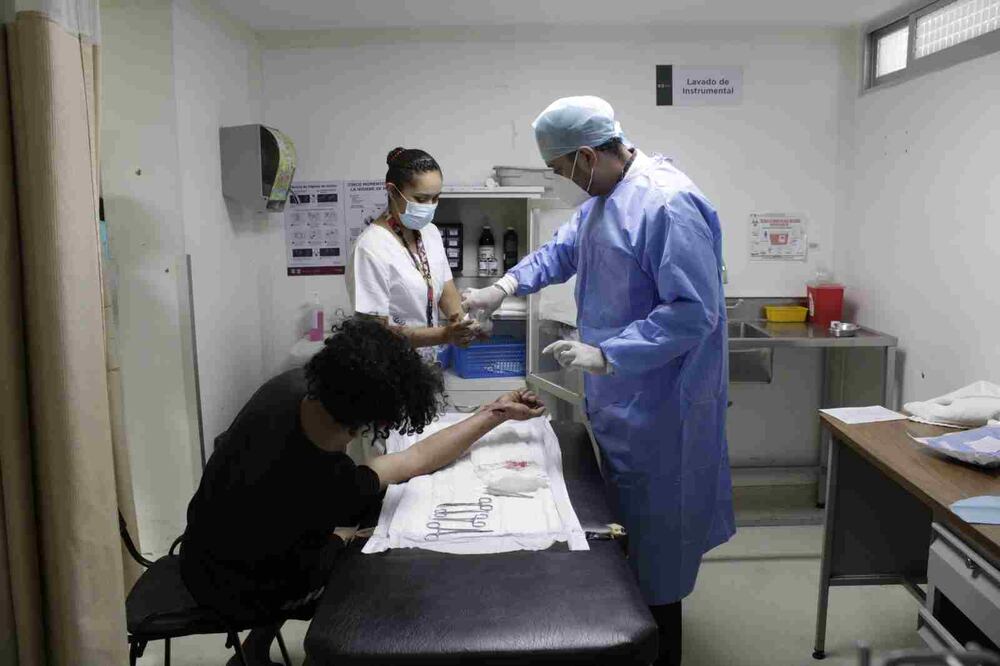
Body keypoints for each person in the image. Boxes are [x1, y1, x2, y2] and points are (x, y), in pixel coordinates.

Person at [462, 96, 734, 666]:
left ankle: (661, 649)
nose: (565, 182)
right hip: (624, 400)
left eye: (562, 171)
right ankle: (628, 631)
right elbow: (563, 251)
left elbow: (693, 311)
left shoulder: (666, 203)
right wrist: (502, 288)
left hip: (665, 407)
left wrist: (607, 354)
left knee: (659, 545)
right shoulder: (606, 198)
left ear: (587, 154)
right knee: (628, 533)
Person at [179, 317, 544, 666]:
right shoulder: (328, 483)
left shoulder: (289, 387)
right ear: (371, 421)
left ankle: (253, 650)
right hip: (236, 589)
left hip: (200, 552)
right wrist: (343, 537)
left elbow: (406, 457)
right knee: (373, 561)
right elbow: (413, 460)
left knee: (352, 528)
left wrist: (495, 412)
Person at [346, 147, 478, 364]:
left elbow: (446, 291)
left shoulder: (430, 233)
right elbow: (374, 335)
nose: (430, 207)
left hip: (428, 365)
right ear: (391, 190)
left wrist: (464, 324)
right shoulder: (371, 248)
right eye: (421, 198)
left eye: (436, 198)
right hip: (388, 370)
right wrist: (444, 335)